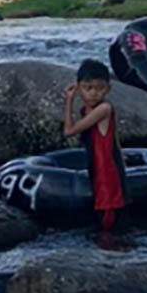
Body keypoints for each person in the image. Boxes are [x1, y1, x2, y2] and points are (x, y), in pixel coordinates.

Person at [62, 59, 127, 233]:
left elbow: (69, 131)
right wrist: (69, 99)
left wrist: (69, 101)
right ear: (79, 87)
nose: (93, 94)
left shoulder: (104, 109)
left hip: (108, 176)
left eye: (99, 88)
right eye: (87, 88)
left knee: (108, 226)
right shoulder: (86, 112)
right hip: (97, 172)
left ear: (108, 89)